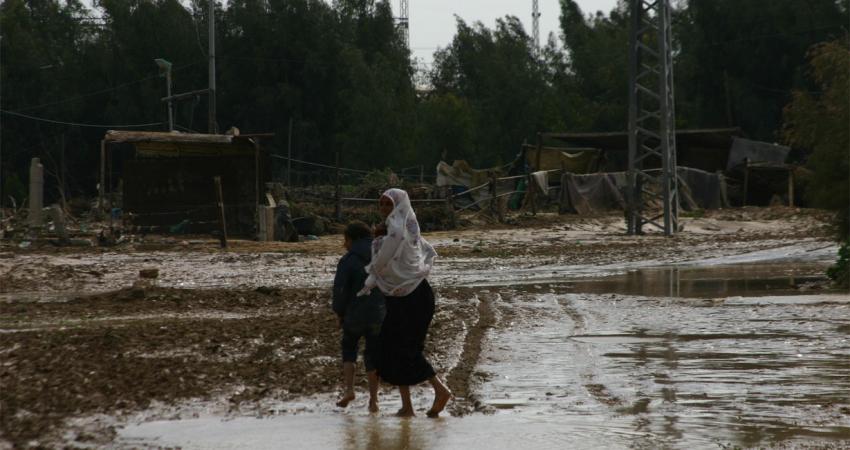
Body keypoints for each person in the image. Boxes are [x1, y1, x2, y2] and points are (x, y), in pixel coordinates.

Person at [359, 188, 452, 418]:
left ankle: (441, 390)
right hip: (401, 296)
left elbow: (386, 256)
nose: (383, 209)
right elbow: (421, 250)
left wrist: (373, 267)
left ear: (399, 206)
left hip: (414, 298)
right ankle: (407, 406)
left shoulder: (400, 231)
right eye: (381, 204)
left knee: (406, 349)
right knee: (390, 347)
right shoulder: (407, 229)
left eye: (388, 205)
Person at [332, 221, 386, 413]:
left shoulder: (348, 260)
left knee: (349, 349)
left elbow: (340, 290)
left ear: (352, 239)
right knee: (372, 356)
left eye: (345, 240)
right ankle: (374, 400)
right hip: (377, 315)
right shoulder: (381, 256)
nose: (343, 245)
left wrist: (339, 312)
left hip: (353, 315)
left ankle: (349, 391)